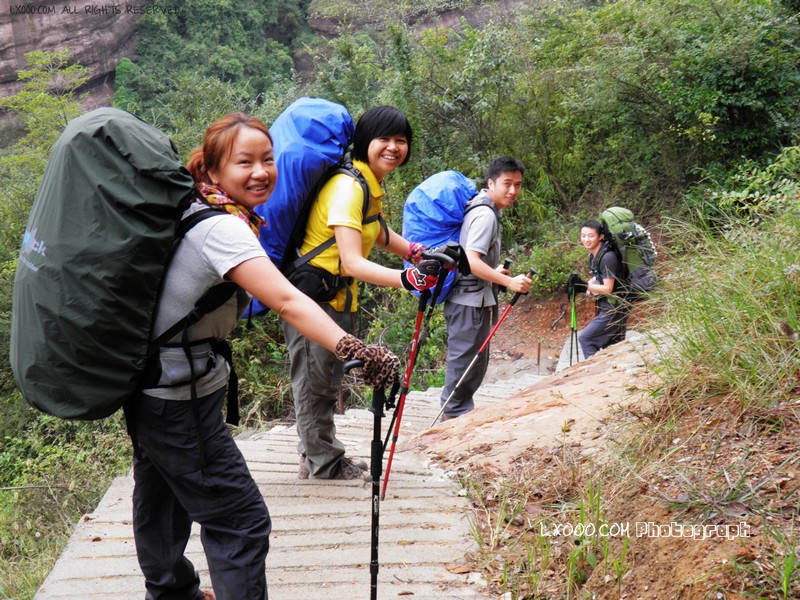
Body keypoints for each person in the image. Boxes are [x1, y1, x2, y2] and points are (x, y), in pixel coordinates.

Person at [126, 113, 401, 600]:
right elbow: (290, 300)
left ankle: (171, 592)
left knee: (163, 500)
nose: (261, 172)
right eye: (244, 162)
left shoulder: (193, 210)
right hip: (179, 395)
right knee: (242, 521)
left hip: (150, 388)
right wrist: (355, 348)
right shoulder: (224, 230)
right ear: (211, 172)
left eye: (268, 160)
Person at [282, 105, 442, 481]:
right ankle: (325, 464)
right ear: (364, 143)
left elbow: (376, 232)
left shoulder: (366, 185)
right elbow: (352, 261)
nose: (393, 147)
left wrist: (417, 253)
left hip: (333, 298)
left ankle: (314, 456)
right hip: (313, 299)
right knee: (314, 384)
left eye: (400, 141)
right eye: (383, 139)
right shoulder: (349, 187)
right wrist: (407, 279)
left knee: (323, 379)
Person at [438, 156, 532, 421]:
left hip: (474, 299)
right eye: (507, 184)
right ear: (491, 183)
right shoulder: (485, 214)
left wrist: (494, 273)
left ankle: (457, 415)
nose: (513, 191)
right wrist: (508, 282)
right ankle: (453, 420)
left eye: (518, 185)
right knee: (465, 363)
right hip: (469, 303)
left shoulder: (484, 209)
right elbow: (471, 260)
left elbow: (474, 262)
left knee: (472, 363)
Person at [577, 219, 631, 358]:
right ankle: (615, 376)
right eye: (583, 236)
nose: (586, 239)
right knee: (613, 349)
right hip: (613, 306)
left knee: (586, 339)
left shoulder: (607, 257)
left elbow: (608, 288)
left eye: (591, 236)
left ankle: (594, 373)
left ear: (600, 236)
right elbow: (599, 279)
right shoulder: (594, 256)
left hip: (614, 308)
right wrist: (586, 287)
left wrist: (584, 286)